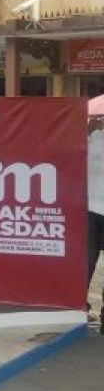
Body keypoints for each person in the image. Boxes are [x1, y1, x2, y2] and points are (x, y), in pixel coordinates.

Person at [87, 116, 104, 320]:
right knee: (87, 261)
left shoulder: (94, 136)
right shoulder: (93, 135)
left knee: (88, 260)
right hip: (90, 208)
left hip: (91, 207)